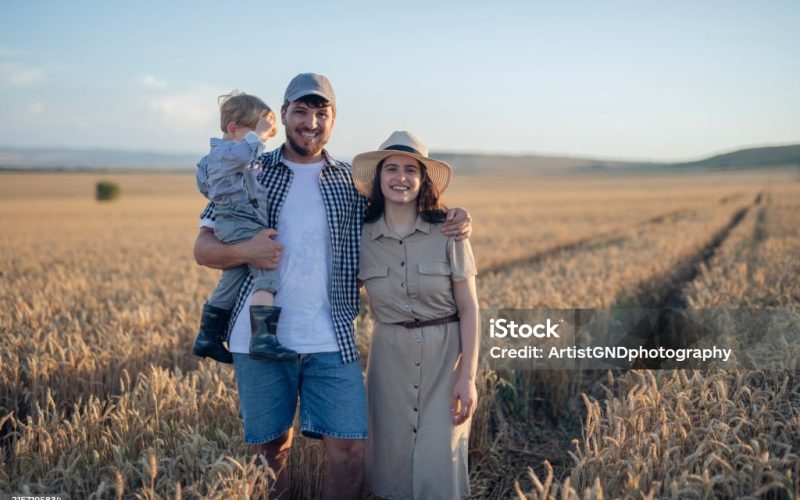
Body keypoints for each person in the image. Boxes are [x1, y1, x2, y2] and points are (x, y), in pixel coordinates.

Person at [193, 74, 472, 500]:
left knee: (350, 454)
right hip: (259, 339)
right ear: (282, 115)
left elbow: (401, 211)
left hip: (331, 338)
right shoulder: (247, 171)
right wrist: (248, 250)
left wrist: (455, 216)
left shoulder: (349, 184)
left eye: (321, 113)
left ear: (333, 119)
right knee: (272, 452)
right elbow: (204, 249)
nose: (310, 122)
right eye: (301, 111)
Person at [353, 131, 479, 499]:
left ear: (423, 180)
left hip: (445, 360)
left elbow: (470, 308)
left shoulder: (450, 232)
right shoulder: (360, 237)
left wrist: (467, 376)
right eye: (391, 168)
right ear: (378, 178)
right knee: (390, 465)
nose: (401, 177)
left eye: (411, 170)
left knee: (441, 463)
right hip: (389, 361)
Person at [193, 91, 296, 364]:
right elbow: (244, 152)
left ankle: (208, 337)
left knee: (231, 281)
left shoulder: (214, 160)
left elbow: (206, 186)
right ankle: (262, 339)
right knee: (267, 276)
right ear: (232, 128)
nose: (263, 141)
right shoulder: (227, 152)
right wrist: (258, 136)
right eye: (256, 131)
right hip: (241, 222)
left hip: (234, 221)